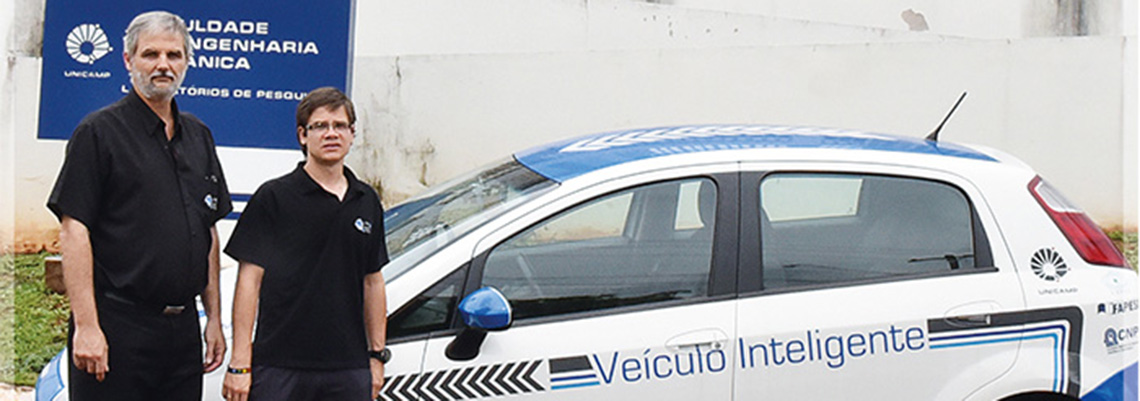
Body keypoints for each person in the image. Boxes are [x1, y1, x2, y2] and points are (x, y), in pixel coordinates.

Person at [46, 10, 230, 401]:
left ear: (186, 62)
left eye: (174, 55)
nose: (163, 65)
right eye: (151, 54)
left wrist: (214, 319)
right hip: (118, 328)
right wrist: (88, 326)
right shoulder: (98, 133)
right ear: (128, 60)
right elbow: (74, 230)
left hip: (182, 335)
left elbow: (207, 232)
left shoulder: (199, 136)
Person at [222, 87, 389, 401]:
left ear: (352, 135)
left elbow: (373, 282)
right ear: (302, 135)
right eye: (320, 126)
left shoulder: (366, 200)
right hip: (279, 367)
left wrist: (376, 356)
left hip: (348, 367)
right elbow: (249, 282)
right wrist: (240, 364)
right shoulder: (273, 198)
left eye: (340, 126)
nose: (331, 134)